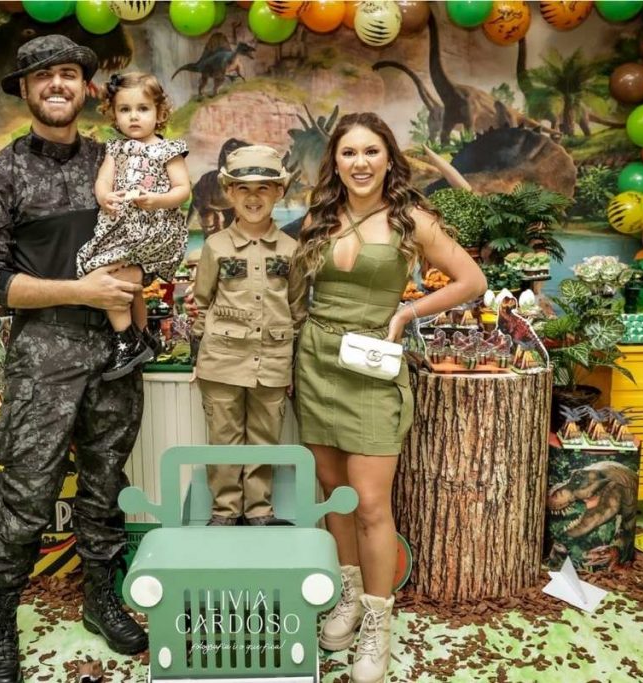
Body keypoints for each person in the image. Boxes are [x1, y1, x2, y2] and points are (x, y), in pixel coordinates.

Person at [0, 35, 148, 683]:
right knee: (25, 494)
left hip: (115, 354)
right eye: (43, 77)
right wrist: (80, 290)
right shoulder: (0, 175)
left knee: (104, 484)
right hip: (42, 359)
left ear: (86, 87)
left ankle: (100, 599)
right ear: (27, 90)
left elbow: (149, 237)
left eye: (68, 73)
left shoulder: (116, 160)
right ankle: (2, 619)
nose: (57, 85)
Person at [293, 112, 486, 683]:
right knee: (336, 494)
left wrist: (407, 311)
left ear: (388, 158)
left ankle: (379, 621)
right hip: (316, 361)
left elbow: (470, 280)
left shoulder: (411, 218)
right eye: (348, 152)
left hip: (372, 366)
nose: (360, 163)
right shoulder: (320, 216)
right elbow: (297, 288)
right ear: (335, 161)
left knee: (373, 504)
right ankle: (349, 598)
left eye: (371, 152)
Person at [190, 145, 307, 526]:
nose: (253, 198)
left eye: (263, 188)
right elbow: (202, 304)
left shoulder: (291, 250)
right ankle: (224, 512)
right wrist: (198, 357)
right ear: (229, 193)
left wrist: (294, 366)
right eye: (243, 189)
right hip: (221, 362)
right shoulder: (215, 247)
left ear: (278, 193)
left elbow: (298, 308)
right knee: (223, 440)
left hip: (272, 361)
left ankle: (259, 511)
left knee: (263, 438)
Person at [77, 71, 191, 380]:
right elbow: (103, 182)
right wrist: (105, 198)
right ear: (113, 114)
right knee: (130, 286)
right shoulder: (114, 150)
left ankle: (125, 340)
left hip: (154, 228)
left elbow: (183, 190)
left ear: (159, 112)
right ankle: (141, 336)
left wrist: (156, 200)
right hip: (124, 229)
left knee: (107, 275)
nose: (134, 117)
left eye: (143, 109)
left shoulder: (168, 149)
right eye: (125, 110)